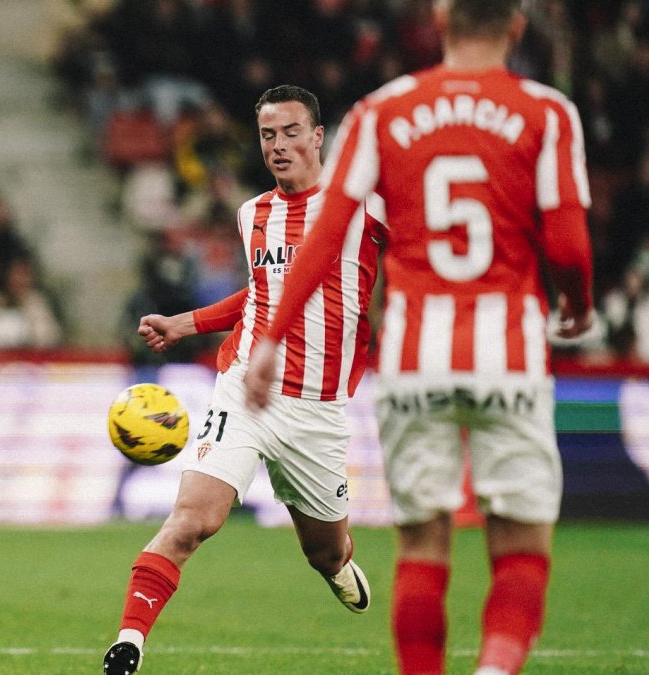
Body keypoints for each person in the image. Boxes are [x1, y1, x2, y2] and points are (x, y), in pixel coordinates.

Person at [241, 3, 594, 674]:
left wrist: (270, 338)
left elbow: (324, 235)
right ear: (516, 28)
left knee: (423, 547)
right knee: (521, 544)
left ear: (440, 20)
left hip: (413, 356)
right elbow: (570, 243)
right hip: (508, 352)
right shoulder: (547, 111)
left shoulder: (381, 110)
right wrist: (576, 302)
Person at [103, 85, 387, 674]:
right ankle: (129, 640)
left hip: (318, 408)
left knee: (325, 550)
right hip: (244, 388)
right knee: (193, 521)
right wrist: (185, 324)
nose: (278, 146)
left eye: (290, 132)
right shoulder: (251, 213)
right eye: (267, 135)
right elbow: (262, 295)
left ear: (317, 137)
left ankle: (335, 566)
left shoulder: (367, 209)